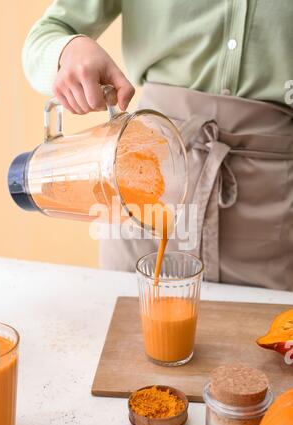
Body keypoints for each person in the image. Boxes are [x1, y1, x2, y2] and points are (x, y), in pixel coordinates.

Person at [23, 0, 293, 291]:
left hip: (274, 207)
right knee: (128, 328)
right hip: (143, 182)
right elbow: (45, 36)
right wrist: (70, 50)